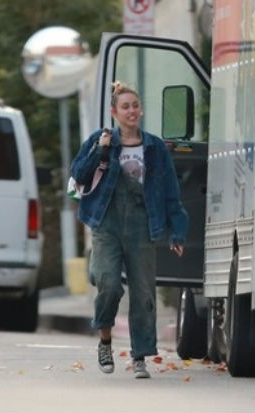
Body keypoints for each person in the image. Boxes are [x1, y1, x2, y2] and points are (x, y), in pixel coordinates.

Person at [71, 81, 188, 379]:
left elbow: (169, 191)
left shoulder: (154, 147)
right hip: (106, 224)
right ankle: (105, 342)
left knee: (144, 293)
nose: (132, 111)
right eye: (125, 107)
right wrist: (101, 150)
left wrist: (177, 230)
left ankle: (140, 357)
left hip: (142, 225)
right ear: (114, 112)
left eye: (135, 105)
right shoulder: (101, 140)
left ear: (141, 109)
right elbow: (78, 174)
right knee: (108, 283)